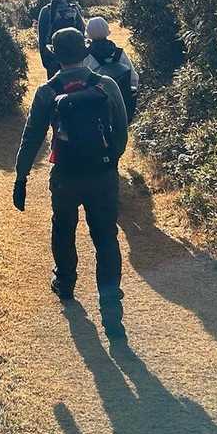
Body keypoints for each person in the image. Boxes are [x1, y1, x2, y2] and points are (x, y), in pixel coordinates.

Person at [13, 27, 130, 341]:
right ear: (85, 49)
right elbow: (121, 130)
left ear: (53, 54)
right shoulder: (106, 85)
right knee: (106, 238)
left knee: (63, 228)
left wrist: (21, 176)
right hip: (102, 175)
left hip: (65, 176)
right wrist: (110, 160)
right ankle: (111, 311)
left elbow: (32, 137)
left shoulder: (47, 92)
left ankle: (65, 283)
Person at [83, 16, 140, 121]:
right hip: (120, 102)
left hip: (98, 105)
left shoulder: (86, 56)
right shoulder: (119, 52)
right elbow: (133, 77)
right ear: (107, 30)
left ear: (88, 33)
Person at [37, 0, 86, 77]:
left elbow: (42, 37)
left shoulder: (46, 11)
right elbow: (82, 31)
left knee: (56, 84)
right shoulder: (73, 9)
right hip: (74, 56)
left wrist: (46, 60)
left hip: (53, 56)